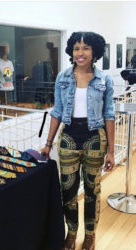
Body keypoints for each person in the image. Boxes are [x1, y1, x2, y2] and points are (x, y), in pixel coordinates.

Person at [41, 32, 115, 250]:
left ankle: (90, 235)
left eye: (86, 48)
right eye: (76, 48)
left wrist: (111, 150)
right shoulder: (62, 78)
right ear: (71, 52)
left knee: (92, 191)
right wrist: (47, 143)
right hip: (68, 139)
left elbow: (109, 115)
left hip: (95, 138)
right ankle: (71, 234)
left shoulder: (104, 79)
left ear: (95, 51)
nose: (80, 53)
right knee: (69, 191)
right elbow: (57, 111)